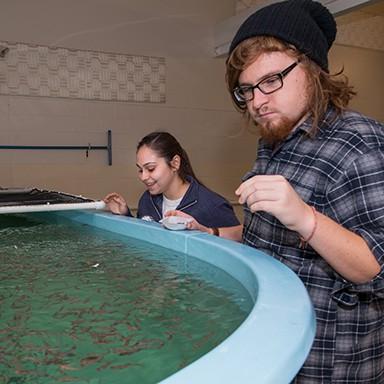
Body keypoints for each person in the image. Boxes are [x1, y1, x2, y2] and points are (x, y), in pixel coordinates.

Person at [222, 0, 384, 382]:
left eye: (271, 81)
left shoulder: (360, 144)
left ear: (311, 69)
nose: (257, 102)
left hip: (331, 366)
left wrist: (308, 220)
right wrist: (209, 233)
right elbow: (271, 240)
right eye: (246, 90)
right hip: (278, 351)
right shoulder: (275, 141)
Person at [104, 131, 241, 237]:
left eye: (151, 168)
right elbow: (144, 239)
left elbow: (240, 247)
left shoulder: (212, 205)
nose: (143, 177)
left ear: (175, 163)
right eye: (140, 170)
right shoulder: (147, 200)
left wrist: (208, 232)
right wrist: (124, 215)